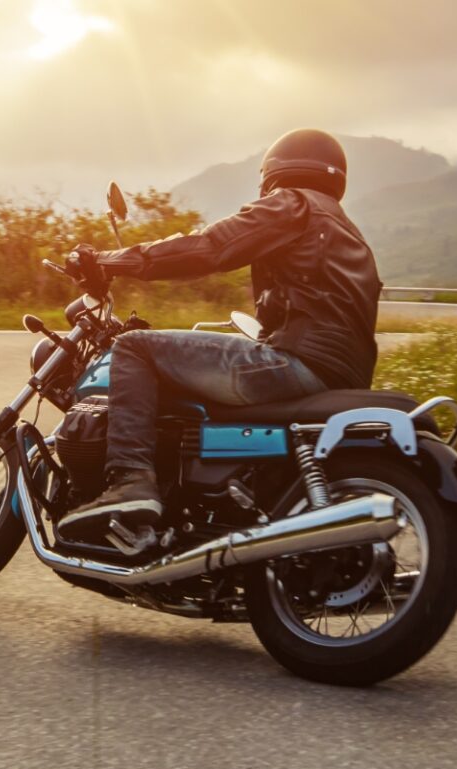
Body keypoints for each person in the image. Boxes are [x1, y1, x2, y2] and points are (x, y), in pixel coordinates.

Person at [56, 128, 384, 543]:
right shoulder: (350, 232)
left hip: (295, 361)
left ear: (275, 172)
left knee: (135, 348)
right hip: (340, 374)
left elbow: (210, 247)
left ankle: (131, 482)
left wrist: (109, 261)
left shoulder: (292, 205)